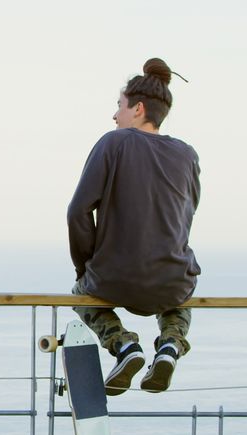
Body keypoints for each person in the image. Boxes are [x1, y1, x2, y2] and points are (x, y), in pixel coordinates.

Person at [67, 57, 200, 395]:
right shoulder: (187, 155)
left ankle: (125, 345)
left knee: (80, 295)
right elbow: (186, 217)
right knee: (180, 294)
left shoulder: (113, 143)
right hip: (169, 281)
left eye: (119, 107)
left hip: (112, 279)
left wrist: (86, 268)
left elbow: (78, 212)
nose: (114, 116)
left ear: (138, 109)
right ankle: (170, 345)